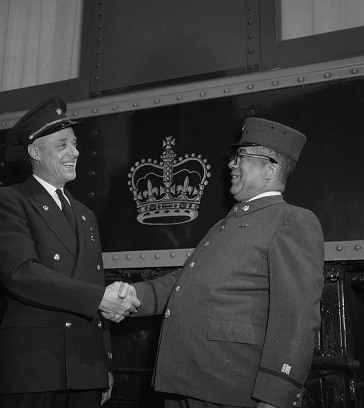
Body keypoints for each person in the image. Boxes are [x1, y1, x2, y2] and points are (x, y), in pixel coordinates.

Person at [119, 118, 324, 408]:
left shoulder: (293, 220)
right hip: (185, 380)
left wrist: (276, 396)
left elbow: (297, 316)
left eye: (241, 157)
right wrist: (133, 295)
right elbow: (187, 281)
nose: (231, 164)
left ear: (271, 167)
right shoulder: (226, 223)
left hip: (228, 388)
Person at [0, 95, 140, 408]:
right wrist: (99, 299)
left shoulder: (85, 213)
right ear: (34, 152)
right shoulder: (9, 201)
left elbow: (94, 282)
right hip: (36, 366)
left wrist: (104, 365)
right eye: (62, 145)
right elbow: (21, 273)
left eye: (75, 143)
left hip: (84, 366)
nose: (75, 152)